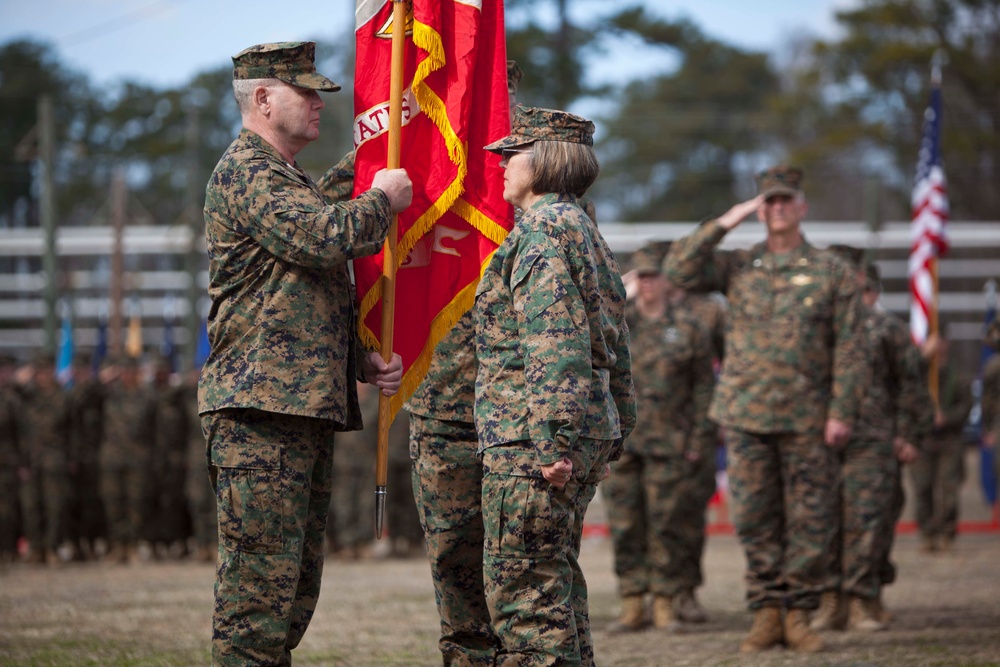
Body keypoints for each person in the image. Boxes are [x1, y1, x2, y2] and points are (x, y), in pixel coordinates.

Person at [198, 41, 411, 666]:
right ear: (262, 99)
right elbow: (324, 239)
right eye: (306, 92)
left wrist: (358, 360)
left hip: (292, 407)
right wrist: (383, 200)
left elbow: (297, 293)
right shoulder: (245, 170)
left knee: (288, 594)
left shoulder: (287, 179)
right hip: (258, 411)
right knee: (258, 595)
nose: (320, 104)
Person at [663, 166, 867, 653]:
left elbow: (851, 348)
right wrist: (727, 221)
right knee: (754, 519)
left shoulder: (831, 271)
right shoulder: (739, 265)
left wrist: (842, 411)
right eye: (767, 202)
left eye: (785, 200)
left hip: (808, 417)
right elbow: (678, 271)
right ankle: (766, 613)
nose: (777, 208)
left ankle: (799, 614)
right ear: (760, 209)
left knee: (809, 519)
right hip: (746, 415)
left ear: (802, 206)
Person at [475, 105, 636, 666]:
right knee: (557, 585)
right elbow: (615, 346)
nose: (499, 164)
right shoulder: (585, 231)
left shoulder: (541, 236)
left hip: (530, 443)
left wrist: (553, 442)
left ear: (543, 162)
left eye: (510, 154)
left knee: (526, 600)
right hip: (575, 432)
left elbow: (555, 346)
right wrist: (612, 430)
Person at [404, 59, 522, 666]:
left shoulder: (535, 162)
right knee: (452, 553)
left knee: (522, 557)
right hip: (439, 394)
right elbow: (340, 196)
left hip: (514, 404)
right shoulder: (419, 141)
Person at [811, 248, 931, 632]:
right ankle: (830, 601)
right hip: (819, 436)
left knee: (867, 521)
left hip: (873, 437)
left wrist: (910, 434)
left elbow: (911, 386)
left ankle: (863, 599)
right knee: (821, 520)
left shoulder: (886, 329)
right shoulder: (811, 325)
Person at [602, 241, 717, 634]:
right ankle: (633, 601)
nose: (648, 283)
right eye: (643, 276)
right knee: (625, 523)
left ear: (668, 280)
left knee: (667, 523)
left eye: (655, 275)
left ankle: (666, 601)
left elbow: (705, 389)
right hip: (622, 445)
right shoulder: (617, 322)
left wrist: (700, 439)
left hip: (671, 442)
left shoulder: (689, 327)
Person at [909, 335, 973, 553]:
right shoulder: (918, 374)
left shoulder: (958, 375)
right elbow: (907, 396)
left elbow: (966, 406)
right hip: (923, 440)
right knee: (922, 487)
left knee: (949, 489)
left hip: (950, 441)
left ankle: (947, 533)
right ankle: (928, 534)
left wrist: (947, 417)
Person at [17, 352, 71, 565]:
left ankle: (52, 547)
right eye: (38, 371)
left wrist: (70, 458)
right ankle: (36, 548)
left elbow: (71, 429)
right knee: (31, 507)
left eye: (46, 371)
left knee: (54, 506)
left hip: (54, 458)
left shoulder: (62, 396)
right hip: (29, 460)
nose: (42, 376)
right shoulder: (26, 396)